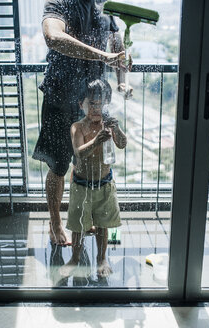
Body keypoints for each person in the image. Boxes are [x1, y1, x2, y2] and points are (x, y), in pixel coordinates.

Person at [32, 0, 132, 246]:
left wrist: (122, 78)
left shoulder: (104, 6)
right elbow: (53, 37)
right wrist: (104, 55)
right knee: (58, 166)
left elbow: (116, 43)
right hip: (61, 98)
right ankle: (55, 221)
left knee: (88, 160)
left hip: (92, 101)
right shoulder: (60, 2)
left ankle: (85, 217)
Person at [59, 79, 127, 278]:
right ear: (81, 104)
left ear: (108, 103)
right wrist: (97, 141)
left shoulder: (109, 125)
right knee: (78, 227)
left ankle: (102, 258)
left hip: (105, 184)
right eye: (92, 104)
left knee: (103, 225)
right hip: (81, 185)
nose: (96, 108)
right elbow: (78, 153)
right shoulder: (78, 127)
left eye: (101, 104)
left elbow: (122, 144)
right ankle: (75, 258)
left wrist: (118, 129)